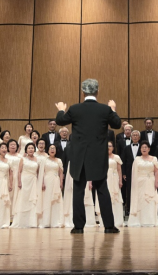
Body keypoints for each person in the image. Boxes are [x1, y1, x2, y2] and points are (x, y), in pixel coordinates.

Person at [55, 78, 122, 234]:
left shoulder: (75, 109)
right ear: (97, 91)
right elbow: (117, 124)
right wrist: (112, 108)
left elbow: (60, 120)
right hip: (98, 156)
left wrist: (60, 108)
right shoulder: (105, 110)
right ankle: (109, 226)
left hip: (80, 156)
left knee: (78, 190)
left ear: (82, 92)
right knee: (102, 190)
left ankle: (78, 227)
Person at [128, 141, 158, 227]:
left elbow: (156, 171)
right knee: (141, 200)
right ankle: (139, 219)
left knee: (150, 200)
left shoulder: (154, 159)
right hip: (140, 182)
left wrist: (156, 182)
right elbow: (134, 172)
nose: (144, 149)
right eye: (142, 147)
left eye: (146, 147)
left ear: (149, 149)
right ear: (140, 149)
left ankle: (150, 220)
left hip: (150, 181)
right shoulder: (137, 159)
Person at [11, 143, 40, 229]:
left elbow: (38, 173)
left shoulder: (37, 159)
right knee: (23, 199)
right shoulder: (22, 159)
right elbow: (19, 171)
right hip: (24, 180)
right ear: (26, 150)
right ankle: (21, 221)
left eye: (32, 148)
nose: (31, 149)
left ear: (34, 149)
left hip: (33, 181)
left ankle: (31, 221)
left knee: (32, 200)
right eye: (29, 148)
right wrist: (19, 182)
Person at [96, 142, 124, 227]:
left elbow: (119, 170)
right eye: (107, 146)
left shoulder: (116, 157)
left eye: (110, 146)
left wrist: (120, 181)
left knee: (115, 197)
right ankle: (104, 220)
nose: (108, 147)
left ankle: (117, 220)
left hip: (114, 179)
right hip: (104, 179)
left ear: (113, 148)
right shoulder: (100, 156)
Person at [37, 144, 64, 228]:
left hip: (56, 181)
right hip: (47, 181)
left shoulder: (59, 160)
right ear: (48, 150)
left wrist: (61, 182)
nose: (52, 150)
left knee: (56, 200)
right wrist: (42, 183)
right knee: (47, 199)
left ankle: (56, 221)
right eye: (50, 148)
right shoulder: (44, 160)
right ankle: (46, 221)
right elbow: (41, 172)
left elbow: (61, 172)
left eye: (54, 148)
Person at [122, 130, 142, 215]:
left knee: (140, 190)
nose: (135, 137)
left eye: (136, 135)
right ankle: (128, 208)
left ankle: (139, 208)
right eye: (133, 135)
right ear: (131, 136)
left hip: (140, 172)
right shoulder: (126, 148)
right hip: (129, 172)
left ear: (139, 137)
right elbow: (123, 160)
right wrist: (123, 173)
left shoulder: (143, 147)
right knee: (129, 190)